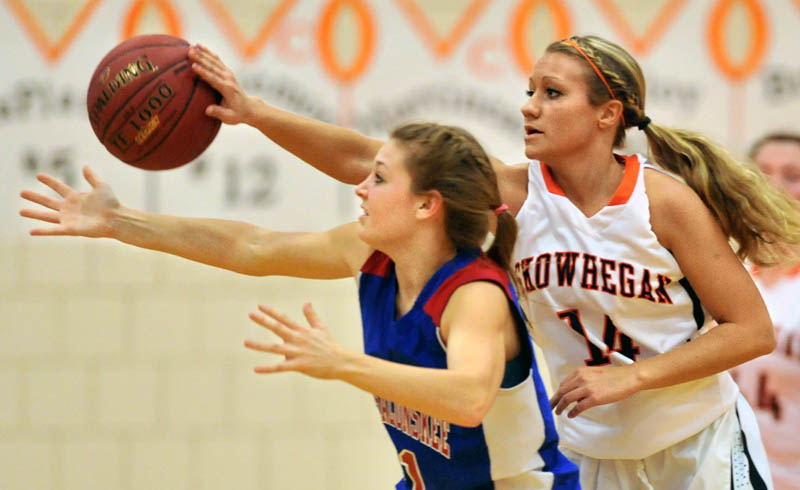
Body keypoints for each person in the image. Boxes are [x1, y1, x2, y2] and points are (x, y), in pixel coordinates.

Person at [184, 35, 800, 489]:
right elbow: (366, 158)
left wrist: (632, 376)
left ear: (607, 114)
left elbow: (750, 329)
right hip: (590, 457)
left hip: (699, 447)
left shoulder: (663, 202)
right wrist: (255, 113)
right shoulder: (515, 193)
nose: (529, 107)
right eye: (529, 91)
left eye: (552, 94)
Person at [20, 122, 580, 489]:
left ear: (426, 205)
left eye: (380, 178)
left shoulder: (472, 296)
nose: (361, 187)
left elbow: (468, 399)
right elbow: (253, 247)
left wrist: (342, 364)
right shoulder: (373, 257)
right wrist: (120, 223)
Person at [732, 132, 800, 490]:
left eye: (792, 176)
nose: (774, 188)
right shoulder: (724, 272)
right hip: (730, 472)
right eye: (763, 174)